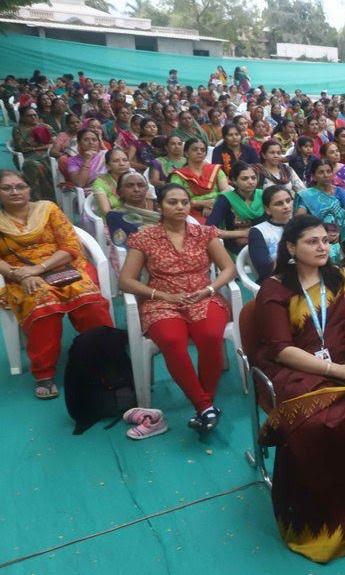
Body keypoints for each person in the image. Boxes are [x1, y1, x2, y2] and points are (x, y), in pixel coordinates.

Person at [252, 216, 345, 563]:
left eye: (325, 240)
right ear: (291, 248)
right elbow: (281, 350)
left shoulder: (339, 278)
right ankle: (322, 512)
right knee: (321, 423)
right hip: (296, 370)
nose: (322, 247)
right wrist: (339, 370)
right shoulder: (275, 289)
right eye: (312, 241)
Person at [0, 170, 114, 399]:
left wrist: (39, 269)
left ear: (29, 188)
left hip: (64, 266)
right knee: (43, 307)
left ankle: (106, 358)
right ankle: (44, 372)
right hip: (20, 275)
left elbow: (70, 246)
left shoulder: (48, 209)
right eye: (6, 188)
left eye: (20, 186)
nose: (15, 192)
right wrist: (21, 275)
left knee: (89, 301)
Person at [119, 184, 235, 433]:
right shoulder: (145, 238)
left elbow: (228, 268)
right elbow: (126, 280)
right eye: (172, 202)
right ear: (160, 206)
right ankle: (205, 406)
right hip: (161, 301)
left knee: (210, 335)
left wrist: (210, 289)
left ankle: (205, 405)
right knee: (172, 340)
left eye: (184, 202)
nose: (180, 207)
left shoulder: (203, 233)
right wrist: (163, 295)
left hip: (203, 297)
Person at [295, 161, 345, 264]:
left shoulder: (339, 191)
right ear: (313, 176)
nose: (326, 175)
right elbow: (299, 222)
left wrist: (341, 233)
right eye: (321, 172)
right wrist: (321, 235)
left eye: (329, 171)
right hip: (317, 238)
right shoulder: (307, 196)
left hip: (342, 235)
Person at [205, 161, 265, 254]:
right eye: (245, 178)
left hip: (265, 242)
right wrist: (243, 233)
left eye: (253, 178)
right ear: (234, 180)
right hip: (236, 247)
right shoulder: (225, 199)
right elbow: (208, 229)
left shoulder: (263, 195)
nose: (251, 182)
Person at [170, 138, 230, 222]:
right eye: (195, 149)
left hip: (217, 208)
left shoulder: (215, 170)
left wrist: (212, 204)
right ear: (186, 153)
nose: (199, 152)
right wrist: (204, 203)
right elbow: (177, 198)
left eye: (203, 150)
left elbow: (226, 191)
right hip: (188, 213)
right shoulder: (178, 175)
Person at [248, 185, 294, 281]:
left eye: (288, 201)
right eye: (279, 203)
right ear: (267, 209)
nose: (286, 206)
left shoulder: (302, 225)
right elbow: (264, 268)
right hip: (275, 280)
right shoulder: (258, 231)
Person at [10, 107, 56, 201]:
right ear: (23, 117)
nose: (33, 117)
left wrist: (35, 147)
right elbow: (22, 147)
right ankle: (37, 198)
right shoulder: (18, 129)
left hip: (47, 154)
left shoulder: (45, 126)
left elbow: (55, 143)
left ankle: (50, 196)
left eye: (35, 115)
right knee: (32, 165)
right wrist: (33, 135)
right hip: (27, 156)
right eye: (29, 116)